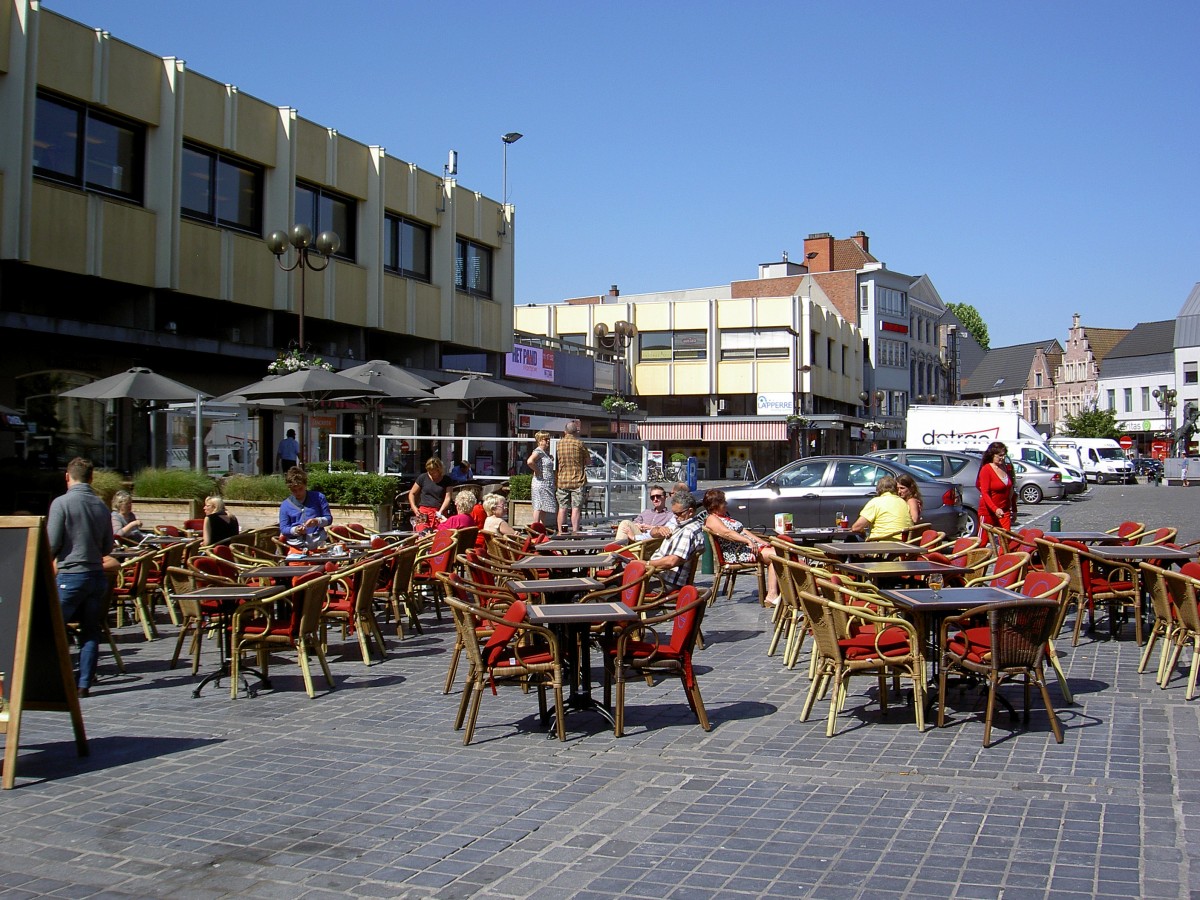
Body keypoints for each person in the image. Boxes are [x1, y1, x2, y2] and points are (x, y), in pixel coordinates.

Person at [47, 457, 113, 697]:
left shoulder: (61, 503)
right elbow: (108, 547)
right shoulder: (101, 506)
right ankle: (84, 683)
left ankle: (51, 678)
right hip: (96, 575)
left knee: (51, 628)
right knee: (90, 631)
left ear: (67, 476)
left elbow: (51, 543)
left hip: (71, 575)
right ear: (91, 478)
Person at [702, 489, 781, 604]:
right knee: (776, 556)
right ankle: (772, 595)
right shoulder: (712, 519)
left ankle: (784, 591)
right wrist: (748, 541)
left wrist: (760, 541)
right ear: (715, 505)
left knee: (780, 552)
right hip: (737, 552)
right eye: (724, 502)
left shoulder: (724, 516)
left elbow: (742, 530)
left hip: (746, 547)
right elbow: (727, 533)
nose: (726, 505)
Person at [647, 491, 707, 591]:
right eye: (674, 514)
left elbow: (672, 561)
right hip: (658, 573)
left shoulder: (688, 531)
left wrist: (647, 564)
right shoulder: (682, 522)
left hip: (667, 581)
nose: (675, 517)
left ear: (690, 511)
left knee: (622, 586)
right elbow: (652, 533)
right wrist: (658, 529)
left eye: (678, 514)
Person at [279, 466, 332, 553]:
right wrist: (296, 530)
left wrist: (317, 521)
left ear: (305, 485)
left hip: (319, 545)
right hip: (296, 547)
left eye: (300, 489)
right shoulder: (285, 505)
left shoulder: (319, 497)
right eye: (294, 490)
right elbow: (284, 528)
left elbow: (329, 519)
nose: (298, 493)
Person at [850, 476, 914, 540]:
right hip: (904, 544)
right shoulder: (904, 503)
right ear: (896, 489)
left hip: (881, 544)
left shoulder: (876, 502)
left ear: (878, 489)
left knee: (852, 538)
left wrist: (864, 532)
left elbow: (856, 528)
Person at [554, 421, 589, 534]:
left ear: (565, 432)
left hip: (563, 480)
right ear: (576, 432)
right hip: (578, 480)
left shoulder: (559, 444)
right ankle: (575, 532)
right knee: (576, 508)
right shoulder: (580, 444)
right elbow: (588, 461)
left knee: (562, 507)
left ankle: (561, 532)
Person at [976, 441, 1017, 530]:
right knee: (983, 541)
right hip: (988, 511)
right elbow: (984, 492)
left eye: (1004, 455)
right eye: (1000, 455)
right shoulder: (986, 469)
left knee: (1006, 538)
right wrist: (995, 509)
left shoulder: (1004, 467)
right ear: (992, 455)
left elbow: (1011, 490)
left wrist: (1014, 509)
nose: (1002, 458)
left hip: (1004, 510)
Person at [409, 457, 452, 531]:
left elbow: (448, 497)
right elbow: (412, 493)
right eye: (429, 472)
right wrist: (414, 507)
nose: (431, 474)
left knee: (438, 535)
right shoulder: (423, 477)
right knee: (421, 535)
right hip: (423, 512)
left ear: (439, 470)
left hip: (438, 511)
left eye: (433, 472)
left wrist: (440, 512)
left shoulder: (447, 480)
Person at [525, 431, 556, 530]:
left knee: (544, 507)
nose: (548, 441)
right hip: (540, 483)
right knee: (538, 505)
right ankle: (535, 528)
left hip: (546, 483)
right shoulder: (538, 451)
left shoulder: (544, 453)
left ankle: (541, 528)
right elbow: (530, 461)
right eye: (545, 439)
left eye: (548, 439)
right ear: (539, 441)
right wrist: (537, 471)